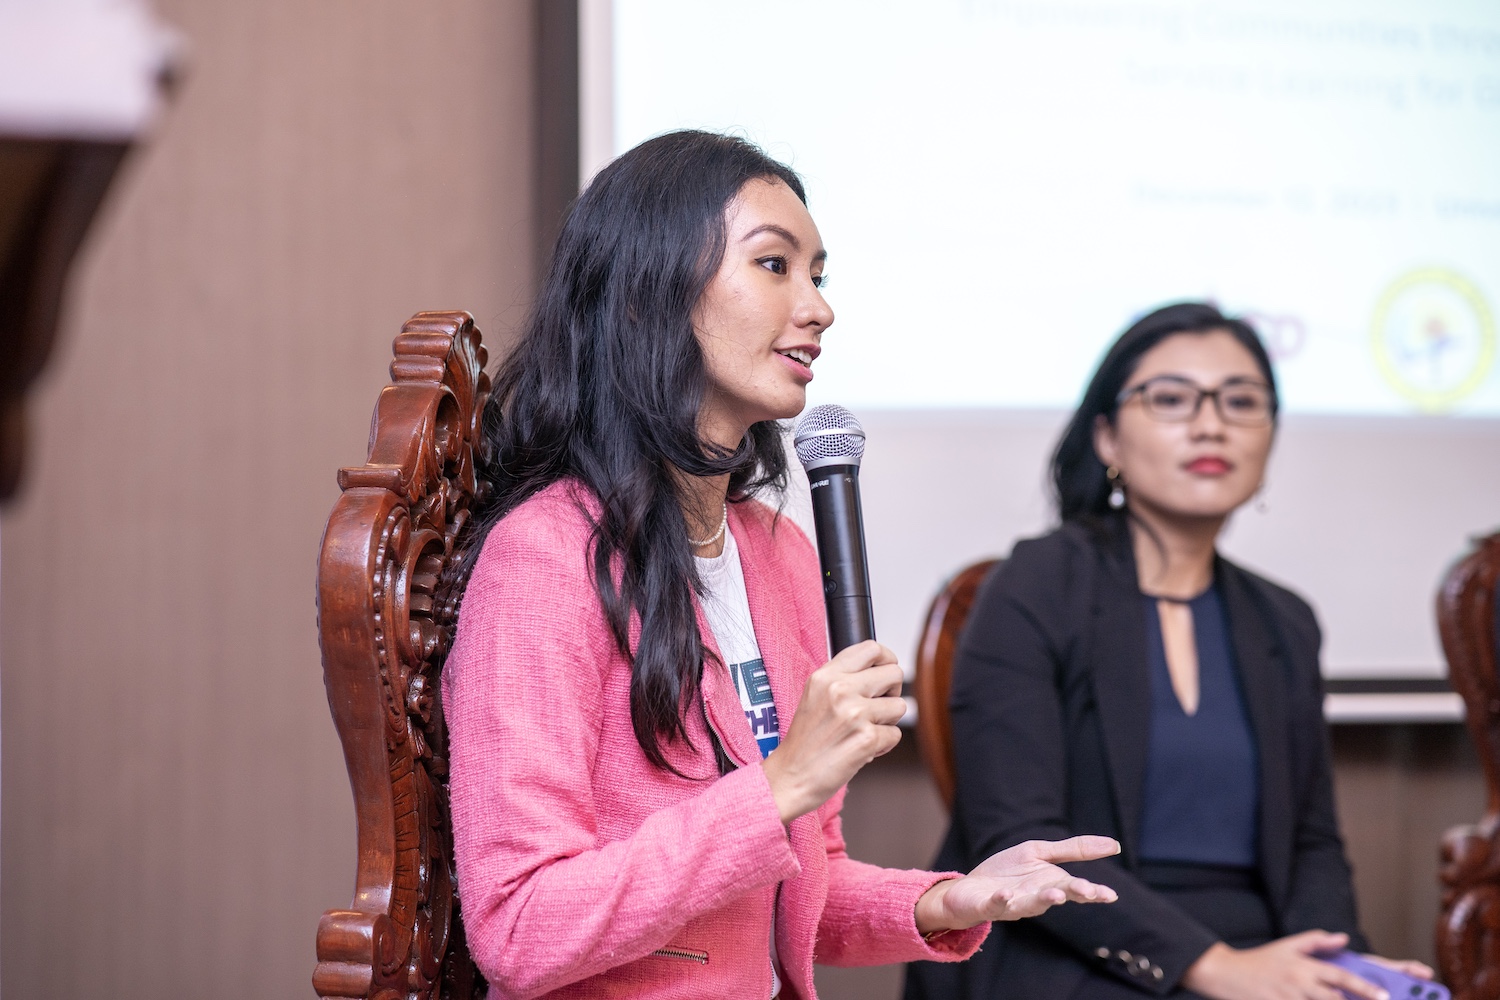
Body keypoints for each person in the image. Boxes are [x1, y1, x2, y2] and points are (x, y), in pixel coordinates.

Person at [440, 129, 1120, 1000]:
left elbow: (794, 886)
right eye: (775, 265)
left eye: (819, 275)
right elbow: (520, 927)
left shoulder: (778, 553)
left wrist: (948, 899)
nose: (819, 308)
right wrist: (781, 782)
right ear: (647, 294)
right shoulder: (542, 560)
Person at [905, 303, 1435, 999]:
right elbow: (1021, 837)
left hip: (1257, 951)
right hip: (1075, 949)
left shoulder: (1284, 621)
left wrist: (1340, 968)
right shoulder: (1035, 584)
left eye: (1240, 401)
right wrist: (1213, 967)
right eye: (1172, 399)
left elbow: (1312, 847)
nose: (1211, 424)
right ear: (1107, 439)